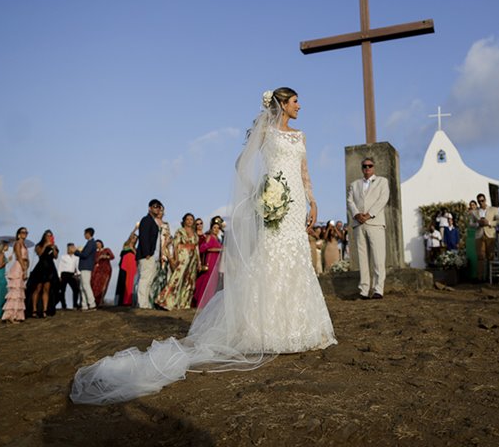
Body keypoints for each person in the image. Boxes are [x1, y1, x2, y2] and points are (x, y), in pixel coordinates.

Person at [71, 87, 336, 404]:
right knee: (271, 260)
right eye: (295, 102)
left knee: (296, 259)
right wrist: (259, 193)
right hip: (272, 202)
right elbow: (242, 164)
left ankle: (300, 326)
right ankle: (265, 328)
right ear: (282, 104)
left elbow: (304, 173)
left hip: (294, 206)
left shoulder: (300, 137)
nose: (299, 106)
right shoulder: (265, 131)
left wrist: (312, 201)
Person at [347, 156, 390, 299]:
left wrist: (369, 214)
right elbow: (350, 201)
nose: (367, 168)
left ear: (374, 167)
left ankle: (378, 289)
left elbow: (383, 199)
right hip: (359, 224)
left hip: (375, 223)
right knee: (362, 259)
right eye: (364, 166)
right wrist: (357, 214)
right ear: (361, 168)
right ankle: (364, 290)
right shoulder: (354, 184)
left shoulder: (382, 182)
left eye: (370, 166)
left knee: (378, 258)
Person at [154, 213, 200, 310]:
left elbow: (197, 248)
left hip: (193, 259)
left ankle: (184, 303)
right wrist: (175, 258)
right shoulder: (180, 231)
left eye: (191, 219)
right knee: (176, 278)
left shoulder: (195, 234)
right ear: (184, 221)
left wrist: (199, 262)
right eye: (187, 219)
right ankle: (165, 300)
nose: (189, 221)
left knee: (189, 281)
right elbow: (175, 245)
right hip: (182, 256)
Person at [136, 200, 162, 309]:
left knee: (149, 280)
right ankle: (142, 303)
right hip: (146, 255)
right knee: (145, 279)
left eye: (158, 207)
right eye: (155, 207)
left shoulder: (153, 221)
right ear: (150, 208)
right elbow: (143, 237)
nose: (157, 209)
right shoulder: (146, 220)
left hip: (152, 255)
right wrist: (147, 252)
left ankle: (145, 303)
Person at [470, 193, 499, 281]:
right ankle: (480, 277)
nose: (481, 202)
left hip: (490, 234)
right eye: (479, 201)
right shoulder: (474, 212)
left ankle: (491, 277)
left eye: (482, 200)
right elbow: (470, 224)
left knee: (490, 256)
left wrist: (489, 223)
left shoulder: (493, 209)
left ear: (485, 200)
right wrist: (478, 224)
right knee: (480, 256)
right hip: (479, 235)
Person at [29, 229, 59, 318]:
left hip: (50, 269)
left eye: (51, 235)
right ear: (44, 236)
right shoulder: (39, 245)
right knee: (38, 289)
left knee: (46, 289)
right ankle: (34, 310)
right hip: (41, 268)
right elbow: (40, 254)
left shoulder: (53, 246)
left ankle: (44, 310)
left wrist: (54, 248)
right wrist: (45, 245)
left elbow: (56, 257)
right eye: (48, 235)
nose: (49, 237)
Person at [2, 227, 29, 323]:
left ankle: (16, 315)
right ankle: (11, 315)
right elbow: (19, 256)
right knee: (15, 292)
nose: (25, 234)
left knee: (19, 292)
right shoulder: (17, 244)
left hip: (23, 267)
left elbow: (26, 258)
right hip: (18, 267)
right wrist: (24, 269)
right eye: (23, 232)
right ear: (18, 234)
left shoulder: (24, 245)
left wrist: (26, 268)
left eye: (26, 232)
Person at [194, 220, 222, 307]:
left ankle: (208, 302)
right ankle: (202, 302)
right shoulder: (209, 237)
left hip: (217, 263)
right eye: (214, 228)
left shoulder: (218, 239)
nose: (216, 229)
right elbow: (202, 248)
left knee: (213, 282)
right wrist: (218, 250)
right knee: (207, 281)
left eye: (218, 228)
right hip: (210, 261)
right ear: (211, 228)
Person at [77, 228, 97, 311]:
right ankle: (84, 305)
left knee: (86, 285)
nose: (84, 235)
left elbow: (85, 255)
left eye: (85, 233)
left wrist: (76, 251)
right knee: (82, 287)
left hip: (86, 267)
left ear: (88, 234)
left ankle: (92, 304)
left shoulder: (91, 243)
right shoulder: (90, 243)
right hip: (84, 267)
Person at [114, 233, 138, 306]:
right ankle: (122, 301)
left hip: (133, 266)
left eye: (135, 238)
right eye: (133, 237)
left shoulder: (135, 249)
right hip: (124, 266)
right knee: (123, 282)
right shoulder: (125, 246)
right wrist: (135, 228)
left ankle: (130, 301)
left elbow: (137, 256)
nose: (133, 239)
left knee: (131, 283)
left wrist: (132, 249)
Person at [57, 243, 81, 310]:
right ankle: (63, 305)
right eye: (69, 248)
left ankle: (75, 305)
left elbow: (77, 266)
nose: (70, 249)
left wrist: (78, 274)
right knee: (62, 290)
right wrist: (59, 276)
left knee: (76, 289)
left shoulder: (76, 257)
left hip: (72, 274)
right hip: (64, 274)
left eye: (72, 247)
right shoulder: (63, 256)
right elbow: (60, 266)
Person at [91, 240, 114, 306]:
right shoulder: (95, 252)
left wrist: (106, 257)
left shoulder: (107, 250)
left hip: (106, 269)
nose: (98, 245)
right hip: (97, 270)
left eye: (99, 243)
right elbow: (94, 261)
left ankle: (101, 301)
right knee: (95, 285)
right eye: (96, 244)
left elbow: (112, 257)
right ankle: (95, 301)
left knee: (104, 285)